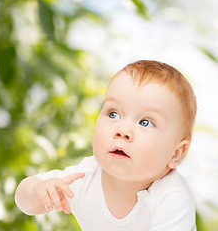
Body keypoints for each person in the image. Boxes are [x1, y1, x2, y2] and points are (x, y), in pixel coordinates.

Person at [15, 60, 197, 230]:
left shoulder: (172, 198)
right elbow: (24, 201)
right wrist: (36, 192)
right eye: (113, 114)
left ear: (175, 154)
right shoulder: (86, 176)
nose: (122, 129)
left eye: (145, 122)